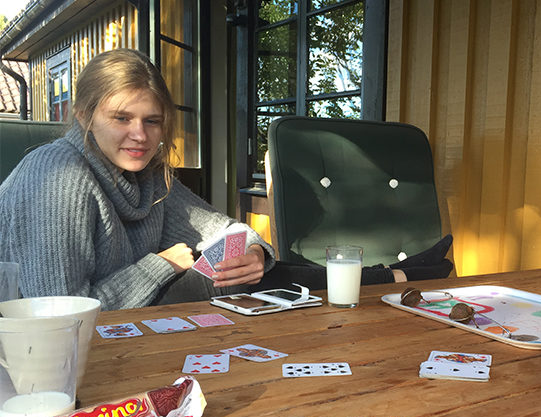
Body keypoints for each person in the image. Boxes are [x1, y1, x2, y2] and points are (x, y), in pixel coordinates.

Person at [0, 49, 452, 310]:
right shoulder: (56, 176)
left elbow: (225, 229)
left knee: (244, 271)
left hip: (132, 328)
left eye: (153, 121)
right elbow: (56, 318)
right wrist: (161, 264)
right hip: (45, 364)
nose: (140, 135)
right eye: (121, 117)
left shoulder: (150, 178)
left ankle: (404, 271)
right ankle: (403, 273)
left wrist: (255, 250)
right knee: (231, 280)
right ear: (83, 115)